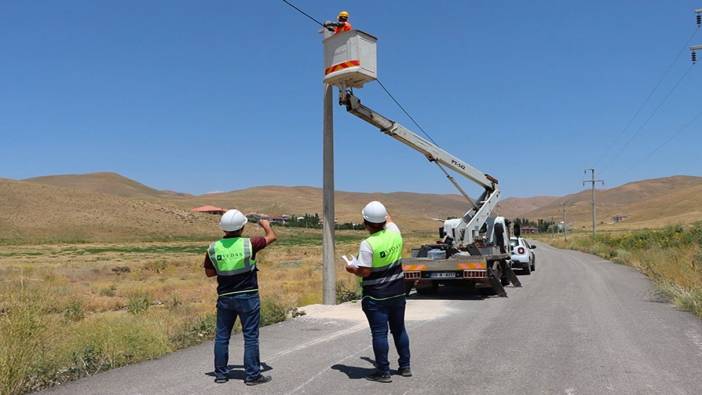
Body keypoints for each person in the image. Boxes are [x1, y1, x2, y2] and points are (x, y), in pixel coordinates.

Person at [203, 209, 277, 386]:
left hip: (225, 297)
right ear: (242, 227)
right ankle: (252, 375)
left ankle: (220, 374)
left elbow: (209, 272)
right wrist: (266, 225)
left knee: (222, 336)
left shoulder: (213, 248)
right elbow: (272, 237)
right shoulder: (249, 243)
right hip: (248, 296)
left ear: (224, 229)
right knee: (250, 336)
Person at [345, 201, 411, 383]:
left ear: (365, 223)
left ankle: (383, 371)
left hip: (376, 296)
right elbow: (389, 219)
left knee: (380, 333)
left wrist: (351, 269)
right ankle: (405, 366)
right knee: (399, 330)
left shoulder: (368, 244)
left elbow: (365, 271)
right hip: (398, 292)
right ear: (384, 220)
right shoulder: (395, 234)